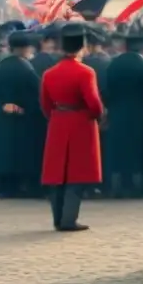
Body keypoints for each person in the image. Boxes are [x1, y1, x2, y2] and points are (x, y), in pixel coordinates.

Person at [40, 22, 104, 231]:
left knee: (57, 174)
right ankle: (69, 219)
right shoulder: (85, 72)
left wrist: (56, 116)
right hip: (80, 123)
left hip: (58, 121)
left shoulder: (49, 73)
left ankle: (58, 218)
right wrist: (96, 116)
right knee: (76, 174)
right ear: (81, 47)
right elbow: (94, 103)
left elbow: (45, 104)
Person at [0, 30, 45, 199]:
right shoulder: (26, 68)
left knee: (6, 152)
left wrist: (5, 105)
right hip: (24, 116)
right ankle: (26, 186)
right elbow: (37, 91)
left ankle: (8, 187)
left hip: (4, 114)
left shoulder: (1, 66)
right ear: (25, 48)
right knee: (23, 153)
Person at [105, 28, 143, 197]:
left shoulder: (113, 64)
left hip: (117, 112)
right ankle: (135, 184)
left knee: (118, 148)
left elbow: (106, 89)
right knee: (136, 149)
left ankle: (116, 185)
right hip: (139, 114)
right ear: (142, 47)